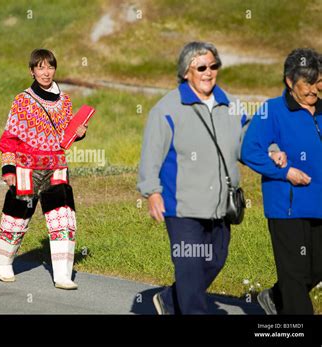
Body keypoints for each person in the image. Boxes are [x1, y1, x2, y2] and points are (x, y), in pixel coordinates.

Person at [137, 41, 253, 314]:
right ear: (186, 71)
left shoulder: (231, 105)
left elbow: (251, 141)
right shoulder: (167, 108)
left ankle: (170, 299)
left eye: (214, 66)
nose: (208, 72)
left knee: (214, 261)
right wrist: (152, 192)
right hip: (182, 205)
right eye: (201, 67)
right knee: (190, 267)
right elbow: (151, 154)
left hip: (220, 204)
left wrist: (273, 152)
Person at [0, 49, 87, 290]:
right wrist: (8, 169)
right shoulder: (22, 100)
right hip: (25, 169)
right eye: (41, 68)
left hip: (56, 168)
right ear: (32, 71)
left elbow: (65, 136)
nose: (46, 72)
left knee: (63, 220)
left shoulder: (65, 101)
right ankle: (3, 263)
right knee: (16, 219)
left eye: (50, 67)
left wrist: (78, 136)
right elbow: (9, 139)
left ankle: (63, 275)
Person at [242, 48, 322, 314]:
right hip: (288, 207)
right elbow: (249, 150)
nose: (313, 90)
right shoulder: (272, 110)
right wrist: (285, 172)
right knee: (295, 276)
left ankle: (275, 298)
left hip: (319, 204)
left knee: (315, 269)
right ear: (290, 81)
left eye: (317, 82)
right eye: (306, 83)